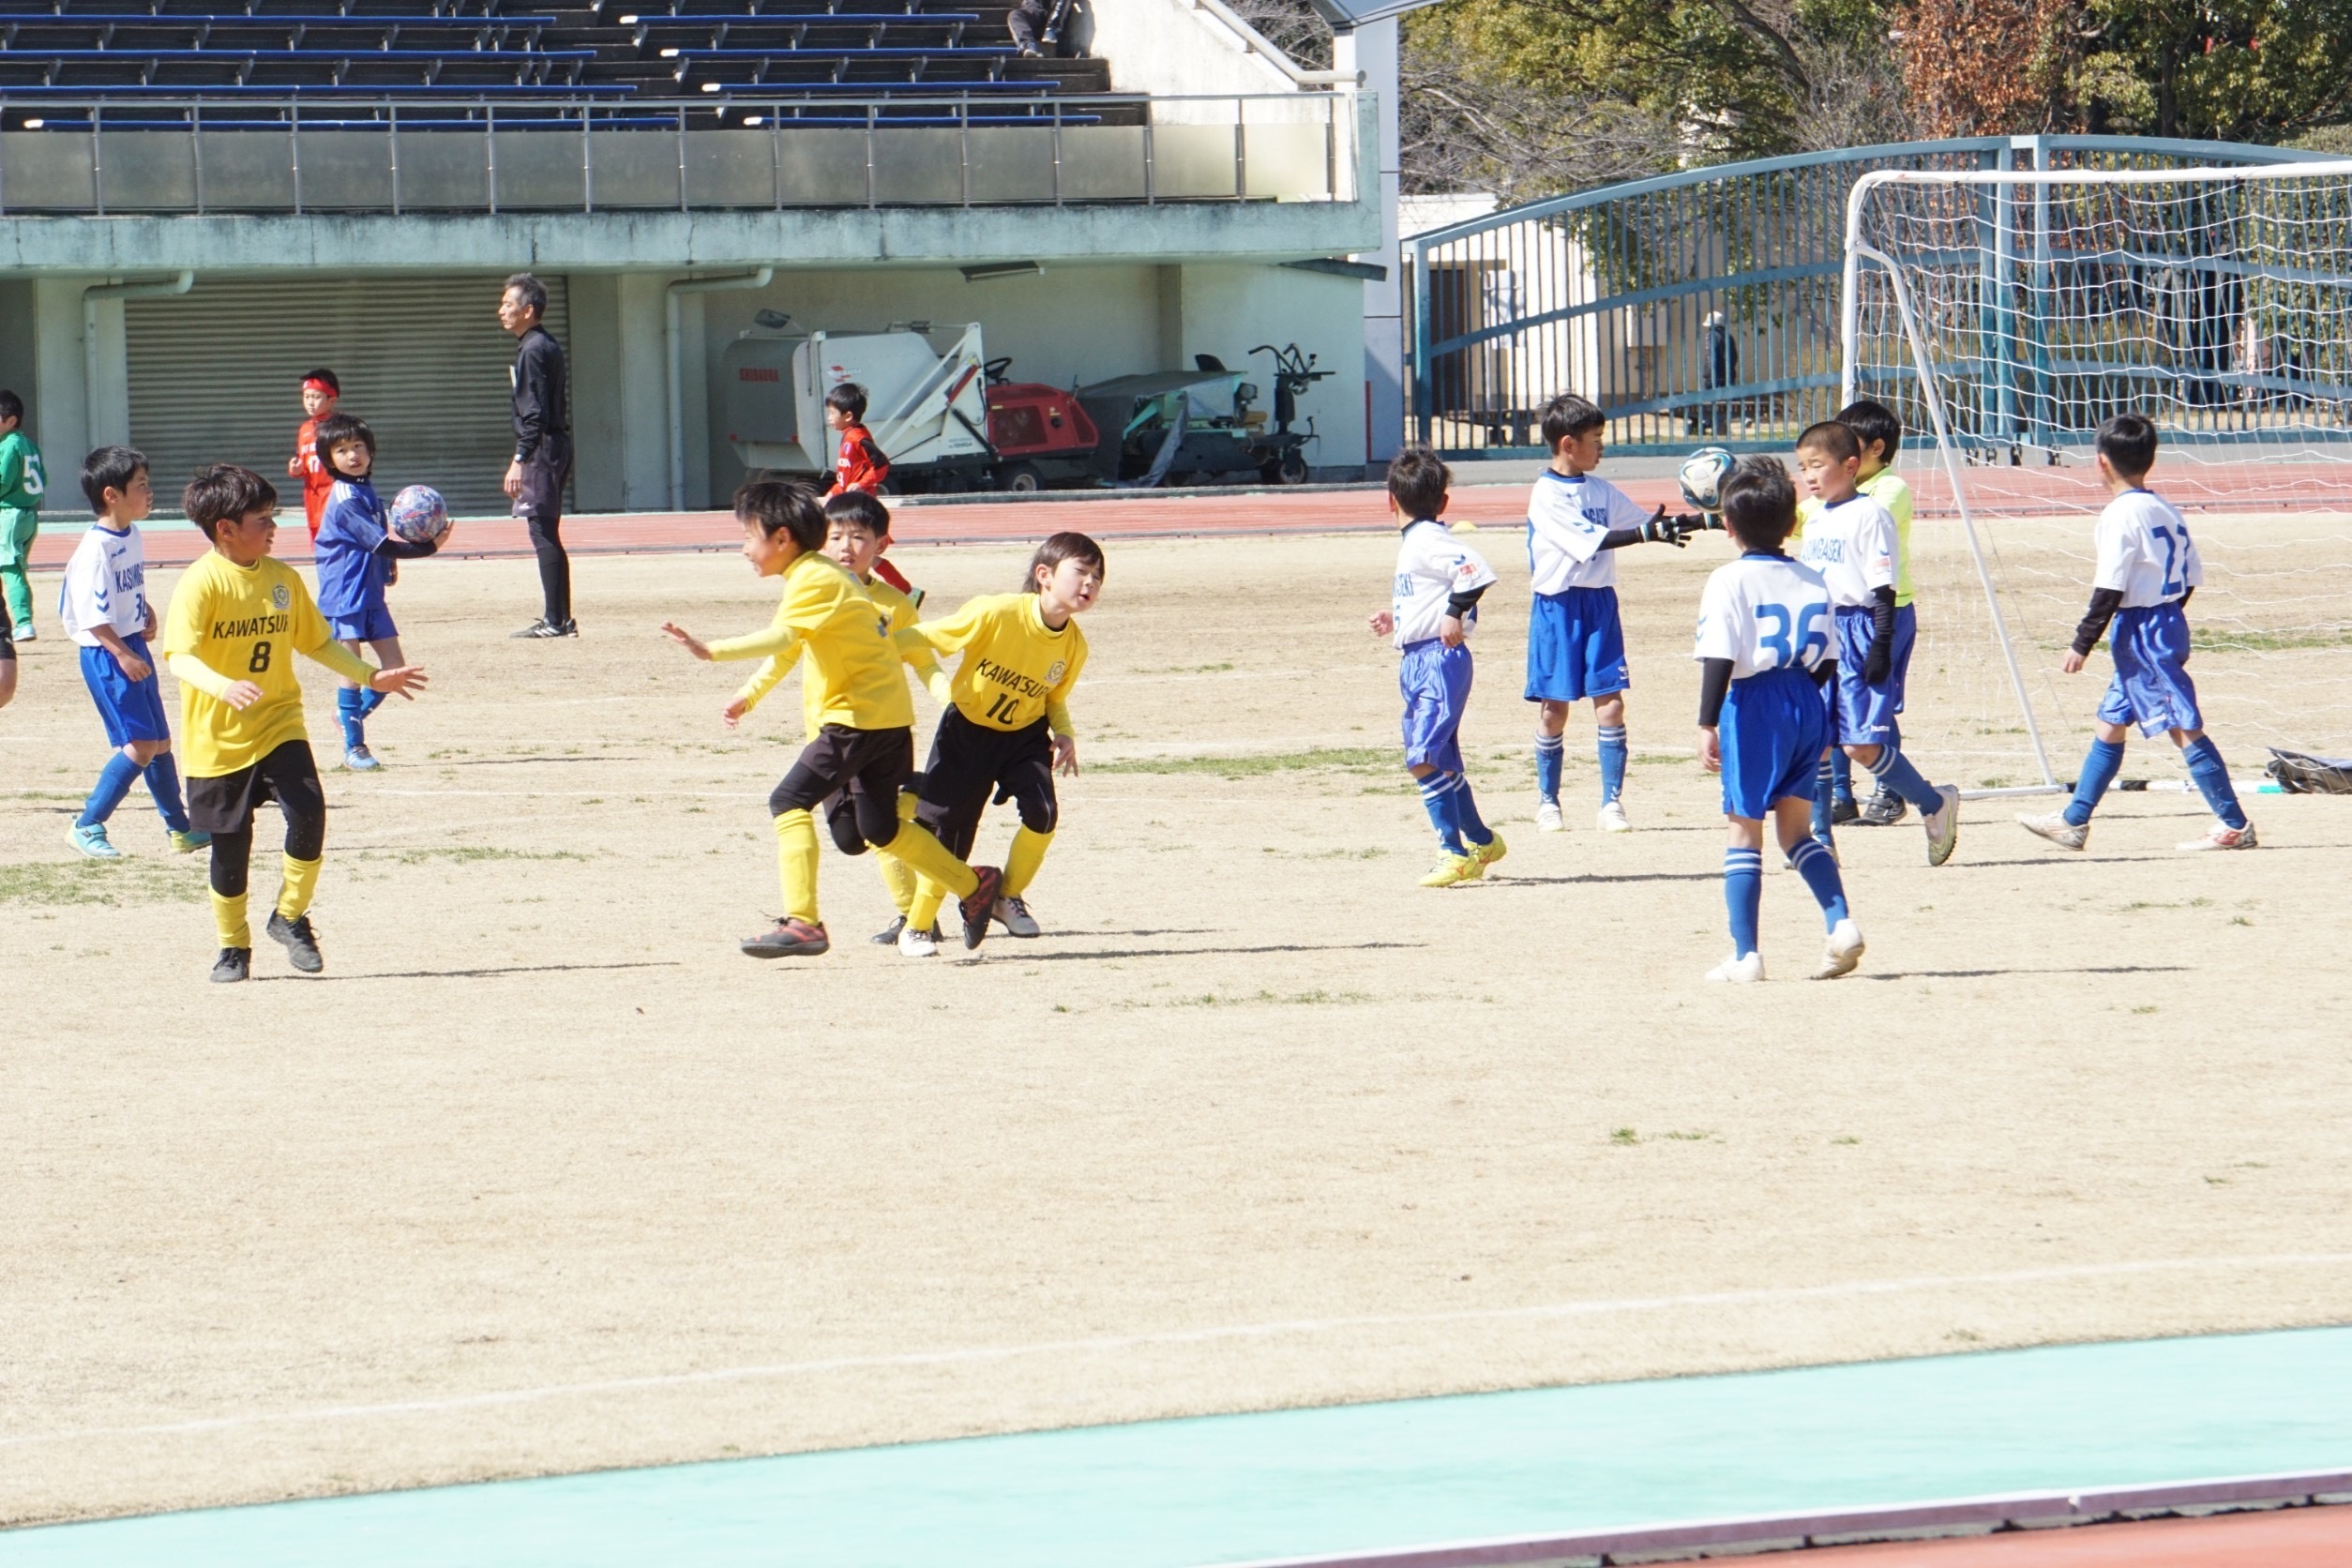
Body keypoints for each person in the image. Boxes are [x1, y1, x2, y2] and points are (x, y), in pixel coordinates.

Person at [660, 478, 1004, 958]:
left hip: (856, 720)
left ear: (781, 539)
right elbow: (794, 645)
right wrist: (750, 693)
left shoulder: (813, 577)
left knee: (787, 802)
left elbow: (783, 639)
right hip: (886, 720)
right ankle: (974, 883)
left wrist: (711, 650)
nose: (743, 549)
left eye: (747, 536)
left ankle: (804, 922)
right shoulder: (820, 573)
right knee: (878, 830)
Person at [162, 464, 427, 982]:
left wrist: (371, 677)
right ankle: (233, 946)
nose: (273, 527)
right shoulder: (199, 584)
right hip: (216, 739)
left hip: (279, 722)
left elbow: (317, 642)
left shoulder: (282, 579)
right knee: (230, 850)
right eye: (262, 519)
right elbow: (179, 657)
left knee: (309, 812)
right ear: (226, 529)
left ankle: (289, 916)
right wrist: (223, 686)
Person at [2016, 414, 2256, 853]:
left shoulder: (2119, 516)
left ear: (2101, 463)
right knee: (2110, 723)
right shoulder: (2164, 508)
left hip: (2143, 629)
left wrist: (2081, 643)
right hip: (2160, 620)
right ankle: (2074, 821)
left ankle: (2234, 822)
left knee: (2182, 725)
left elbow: (2110, 586)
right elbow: (2191, 576)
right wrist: (2166, 614)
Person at [726, 490, 953, 947]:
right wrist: (748, 696)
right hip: (827, 732)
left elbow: (924, 663)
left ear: (880, 546)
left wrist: (952, 702)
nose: (846, 546)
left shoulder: (895, 603)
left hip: (868, 731)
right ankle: (917, 800)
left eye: (858, 537)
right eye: (836, 536)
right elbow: (784, 653)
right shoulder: (814, 590)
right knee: (851, 839)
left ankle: (915, 916)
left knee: (876, 826)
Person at [1694, 458, 1862, 983]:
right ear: (1793, 524)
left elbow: (1719, 657)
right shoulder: (1812, 578)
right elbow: (1830, 660)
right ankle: (1840, 923)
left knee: (1744, 830)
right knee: (1796, 831)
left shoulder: (1727, 580)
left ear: (1728, 525)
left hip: (1754, 702)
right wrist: (1801, 706)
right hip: (1807, 699)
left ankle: (1746, 956)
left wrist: (1707, 722)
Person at [894, 531, 1101, 958]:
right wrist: (872, 646)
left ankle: (1007, 896)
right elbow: (930, 635)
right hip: (966, 734)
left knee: (1043, 814)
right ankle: (916, 927)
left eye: (1098, 577)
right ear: (1044, 575)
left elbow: (1053, 697)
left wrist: (1064, 732)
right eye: (1081, 572)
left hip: (1023, 738)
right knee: (950, 839)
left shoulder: (1075, 645)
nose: (1090, 584)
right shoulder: (997, 611)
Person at [1522, 392, 1700, 836]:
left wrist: (1710, 520)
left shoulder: (1601, 489)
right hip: (1559, 607)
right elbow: (1596, 539)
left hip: (1600, 603)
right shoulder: (1545, 495)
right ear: (1568, 444)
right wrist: (1642, 534)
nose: (1602, 447)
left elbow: (1643, 523)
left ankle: (1611, 803)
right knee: (1553, 711)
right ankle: (1549, 801)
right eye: (1596, 439)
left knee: (1612, 705)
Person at [1792, 419, 1960, 867]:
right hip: (1822, 634)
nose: (1808, 475)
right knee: (1818, 741)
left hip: (1861, 629)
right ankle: (1820, 836)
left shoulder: (1871, 514)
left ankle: (1933, 803)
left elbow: (1883, 588)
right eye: (1801, 467)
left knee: (1860, 746)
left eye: (1817, 465)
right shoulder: (1816, 515)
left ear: (1850, 466)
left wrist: (1880, 645)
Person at [1369, 445, 1506, 888]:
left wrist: (1454, 613)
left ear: (1389, 499)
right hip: (1417, 658)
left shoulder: (1428, 538)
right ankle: (1483, 842)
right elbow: (1437, 589)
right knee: (1441, 760)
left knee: (1422, 757)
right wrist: (1400, 618)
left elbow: (1476, 573)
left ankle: (1453, 851)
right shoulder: (1418, 542)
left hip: (1438, 660)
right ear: (1443, 500)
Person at [61, 446, 205, 859]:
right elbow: (90, 617)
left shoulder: (132, 535)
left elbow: (124, 591)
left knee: (159, 741)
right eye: (141, 485)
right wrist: (122, 654)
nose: (149, 491)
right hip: (109, 654)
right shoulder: (95, 550)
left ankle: (180, 829)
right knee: (140, 744)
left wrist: (144, 611)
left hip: (131, 643)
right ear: (112, 494)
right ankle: (86, 824)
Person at [311, 413, 442, 771]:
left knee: (394, 668)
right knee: (352, 670)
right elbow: (379, 542)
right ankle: (355, 748)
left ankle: (347, 719)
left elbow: (379, 544)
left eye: (358, 447)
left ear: (370, 452)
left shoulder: (365, 489)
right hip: (344, 595)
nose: (352, 455)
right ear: (328, 459)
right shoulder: (345, 499)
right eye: (342, 450)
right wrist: (429, 548)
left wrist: (388, 571)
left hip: (370, 594)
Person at [1813, 399, 1917, 827]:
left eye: (1845, 446)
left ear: (1873, 449)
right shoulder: (1834, 501)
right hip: (1837, 617)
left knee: (1876, 707)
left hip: (1883, 614)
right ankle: (1841, 796)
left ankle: (1890, 793)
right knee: (1833, 710)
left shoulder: (1888, 493)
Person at [500, 273, 575, 639]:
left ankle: (555, 621)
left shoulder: (533, 349)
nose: (501, 310)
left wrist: (520, 458)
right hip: (554, 444)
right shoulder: (542, 344)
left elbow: (536, 414)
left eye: (509, 304)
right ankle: (560, 617)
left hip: (544, 449)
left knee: (542, 531)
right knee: (548, 531)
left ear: (528, 310)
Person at [0, 389, 49, 642]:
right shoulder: (28, 444)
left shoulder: (9, 445)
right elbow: (44, 479)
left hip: (10, 515)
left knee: (11, 569)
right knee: (11, 566)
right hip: (28, 513)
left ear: (11, 420)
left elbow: (3, 480)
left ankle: (23, 622)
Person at [285, 369, 339, 543]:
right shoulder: (305, 429)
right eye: (306, 397)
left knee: (334, 538)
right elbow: (303, 463)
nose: (310, 402)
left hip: (333, 493)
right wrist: (296, 470)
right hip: (312, 496)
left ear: (332, 400)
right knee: (317, 540)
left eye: (316, 397)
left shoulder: (340, 427)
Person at [822, 383, 888, 501]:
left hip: (860, 501)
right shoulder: (848, 435)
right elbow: (848, 477)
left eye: (832, 413)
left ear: (848, 416)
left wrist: (861, 485)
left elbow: (881, 465)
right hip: (849, 500)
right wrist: (834, 492)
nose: (829, 417)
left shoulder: (858, 438)